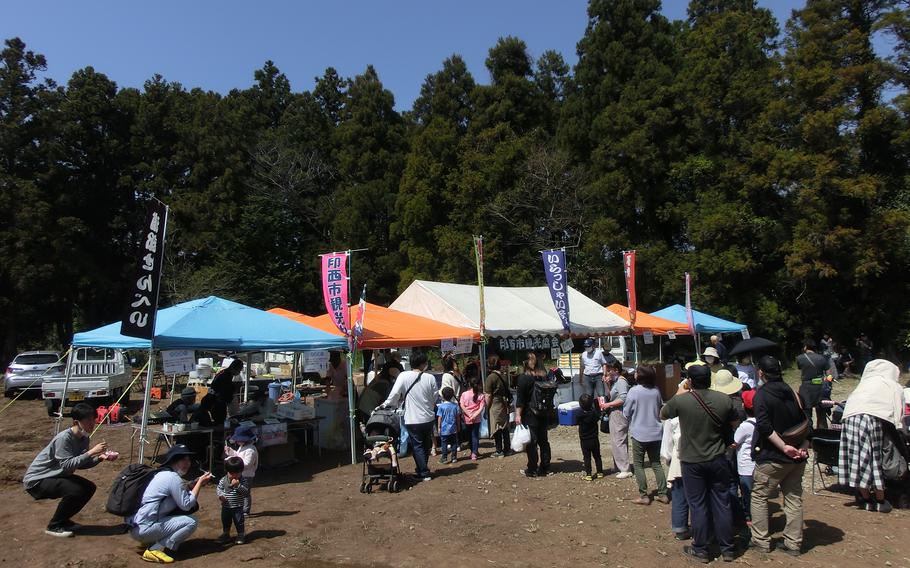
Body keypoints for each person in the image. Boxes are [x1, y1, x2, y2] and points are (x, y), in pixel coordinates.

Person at [660, 364, 739, 563]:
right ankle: (727, 547)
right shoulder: (724, 399)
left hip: (692, 459)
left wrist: (682, 389)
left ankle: (701, 548)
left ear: (690, 381)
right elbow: (734, 423)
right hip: (717, 457)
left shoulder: (681, 400)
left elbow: (663, 413)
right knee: (722, 501)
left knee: (698, 504)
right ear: (710, 380)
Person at [23, 402, 117, 537]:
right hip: (38, 480)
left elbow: (80, 464)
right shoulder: (64, 438)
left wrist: (101, 457)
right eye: (88, 420)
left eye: (93, 419)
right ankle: (54, 526)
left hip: (55, 476)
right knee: (76, 490)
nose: (93, 423)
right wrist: (91, 452)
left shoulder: (84, 439)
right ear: (76, 422)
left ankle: (64, 521)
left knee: (89, 487)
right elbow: (67, 464)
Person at [749, 355, 810, 556]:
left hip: (773, 456)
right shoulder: (792, 391)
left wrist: (784, 447)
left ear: (761, 373)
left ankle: (761, 540)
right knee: (793, 498)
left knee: (759, 496)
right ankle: (793, 543)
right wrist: (803, 445)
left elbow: (765, 427)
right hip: (797, 456)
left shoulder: (762, 395)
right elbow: (806, 421)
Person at [838, 359, 905, 513]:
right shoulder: (891, 385)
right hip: (870, 420)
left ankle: (866, 499)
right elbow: (898, 415)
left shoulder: (865, 384)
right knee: (873, 460)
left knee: (858, 460)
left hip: (849, 420)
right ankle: (881, 501)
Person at [128, 444, 213, 563]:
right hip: (144, 529)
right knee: (191, 522)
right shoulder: (173, 478)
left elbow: (176, 493)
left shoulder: (162, 473)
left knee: (173, 514)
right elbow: (187, 505)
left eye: (188, 460)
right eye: (183, 460)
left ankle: (148, 542)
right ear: (174, 461)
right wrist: (199, 483)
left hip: (137, 525)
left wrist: (193, 484)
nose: (187, 463)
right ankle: (156, 548)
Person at [381, 351, 437, 481]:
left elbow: (394, 394)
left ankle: (424, 472)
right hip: (428, 417)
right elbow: (435, 396)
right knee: (425, 444)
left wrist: (385, 405)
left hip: (412, 418)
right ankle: (421, 470)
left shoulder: (404, 376)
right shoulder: (430, 378)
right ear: (423, 364)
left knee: (417, 445)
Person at [624, 365, 668, 504]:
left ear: (640, 376)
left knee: (638, 465)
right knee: (656, 464)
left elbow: (626, 412)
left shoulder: (634, 391)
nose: (635, 374)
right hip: (656, 432)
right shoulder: (656, 391)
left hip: (639, 433)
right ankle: (663, 494)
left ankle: (644, 496)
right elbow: (660, 408)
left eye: (636, 372)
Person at [515, 351, 553, 477]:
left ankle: (532, 468)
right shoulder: (544, 376)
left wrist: (518, 415)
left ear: (524, 363)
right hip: (544, 411)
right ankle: (546, 467)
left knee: (532, 442)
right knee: (544, 441)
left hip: (530, 413)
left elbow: (520, 400)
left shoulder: (523, 378)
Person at [661, 410, 690, 541]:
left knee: (679, 493)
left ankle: (680, 528)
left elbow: (667, 442)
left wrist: (668, 458)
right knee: (699, 497)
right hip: (702, 455)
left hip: (679, 457)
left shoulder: (674, 413)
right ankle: (702, 528)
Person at [601, 360, 632, 478]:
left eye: (609, 370)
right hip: (614, 412)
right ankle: (619, 466)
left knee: (619, 440)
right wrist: (607, 384)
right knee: (616, 440)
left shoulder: (621, 381)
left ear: (616, 370)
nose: (607, 373)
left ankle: (625, 468)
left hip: (619, 413)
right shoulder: (615, 381)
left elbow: (624, 398)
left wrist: (608, 405)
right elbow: (610, 395)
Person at [733, 390, 757, 527]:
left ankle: (749, 518)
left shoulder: (744, 426)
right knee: (758, 494)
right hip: (758, 464)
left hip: (745, 465)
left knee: (747, 494)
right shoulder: (764, 422)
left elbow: (735, 442)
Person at [223, 424, 258, 515]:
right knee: (239, 491)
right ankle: (240, 507)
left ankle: (246, 510)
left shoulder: (250, 450)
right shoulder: (242, 447)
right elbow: (238, 456)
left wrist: (232, 461)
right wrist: (230, 452)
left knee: (245, 493)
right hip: (241, 474)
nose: (236, 441)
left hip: (247, 475)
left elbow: (246, 464)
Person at [483, 351, 512, 458]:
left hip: (494, 404)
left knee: (497, 428)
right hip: (503, 403)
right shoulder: (503, 376)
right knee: (504, 427)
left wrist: (487, 408)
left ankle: (499, 450)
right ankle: (507, 449)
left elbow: (488, 395)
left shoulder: (490, 378)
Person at [216, 456, 249, 545]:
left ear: (241, 471)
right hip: (226, 506)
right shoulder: (224, 480)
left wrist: (238, 486)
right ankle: (226, 534)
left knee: (239, 521)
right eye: (231, 473)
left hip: (237, 506)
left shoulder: (243, 481)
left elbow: (246, 493)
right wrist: (221, 495)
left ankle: (241, 534)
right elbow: (219, 488)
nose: (233, 475)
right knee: (225, 520)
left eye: (236, 473)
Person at [797, 339, 829, 428]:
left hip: (806, 388)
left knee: (807, 414)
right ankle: (822, 434)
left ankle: (809, 434)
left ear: (805, 347)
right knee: (822, 414)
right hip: (820, 387)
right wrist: (827, 384)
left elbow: (800, 368)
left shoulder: (800, 358)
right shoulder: (822, 358)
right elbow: (829, 375)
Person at [577, 394, 605, 480]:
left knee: (587, 458)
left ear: (580, 405)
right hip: (594, 439)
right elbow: (598, 415)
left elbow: (576, 420)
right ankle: (600, 472)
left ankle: (589, 474)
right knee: (597, 456)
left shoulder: (579, 415)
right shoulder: (594, 414)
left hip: (584, 440)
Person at [459, 375, 486, 461]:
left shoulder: (464, 394)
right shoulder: (481, 395)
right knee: (475, 435)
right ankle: (474, 452)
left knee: (469, 436)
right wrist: (474, 415)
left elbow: (462, 405)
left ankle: (473, 451)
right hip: (476, 418)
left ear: (469, 384)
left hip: (467, 418)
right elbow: (481, 408)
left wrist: (469, 414)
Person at [210, 359, 244, 425]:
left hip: (217, 400)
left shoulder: (224, 372)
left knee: (221, 421)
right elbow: (225, 391)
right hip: (217, 402)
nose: (239, 372)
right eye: (239, 370)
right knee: (220, 422)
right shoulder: (226, 375)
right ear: (235, 368)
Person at [436, 387, 460, 464]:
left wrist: (439, 427)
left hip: (444, 429)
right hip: (453, 428)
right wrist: (458, 426)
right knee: (454, 443)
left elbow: (440, 418)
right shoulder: (455, 406)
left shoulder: (441, 406)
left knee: (444, 443)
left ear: (442, 396)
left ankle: (444, 458)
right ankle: (454, 457)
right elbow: (458, 417)